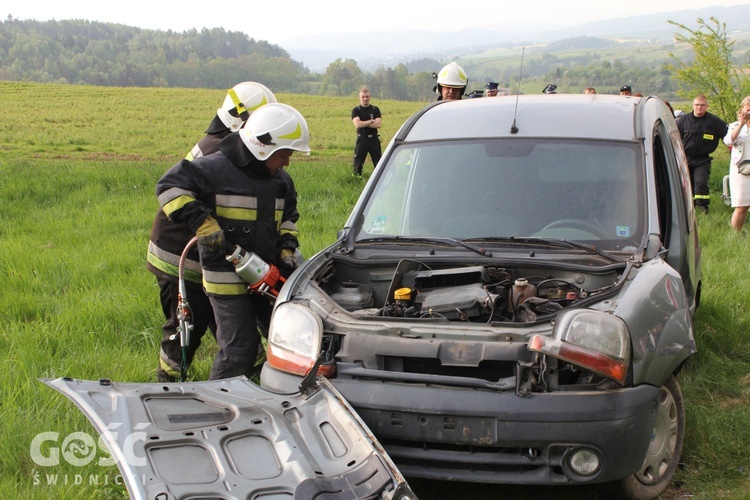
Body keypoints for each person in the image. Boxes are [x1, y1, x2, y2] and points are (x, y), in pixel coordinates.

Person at [156, 102, 307, 381]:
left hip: (262, 274)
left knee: (291, 339)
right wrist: (202, 221)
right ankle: (218, 409)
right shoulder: (214, 169)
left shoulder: (282, 182)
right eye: (285, 154)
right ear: (264, 147)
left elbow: (288, 218)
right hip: (225, 278)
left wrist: (286, 245)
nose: (287, 162)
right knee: (239, 350)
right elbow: (168, 187)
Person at [676, 94, 728, 213]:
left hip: (702, 160)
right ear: (693, 105)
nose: (699, 107)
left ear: (707, 106)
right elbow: (674, 138)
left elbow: (728, 137)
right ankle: (687, 209)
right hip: (685, 158)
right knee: (686, 185)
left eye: (702, 105)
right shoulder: (683, 121)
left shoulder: (714, 121)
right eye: (697, 105)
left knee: (700, 183)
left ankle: (703, 209)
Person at [723, 96, 750, 231]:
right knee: (741, 205)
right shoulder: (734, 125)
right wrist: (742, 123)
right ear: (743, 110)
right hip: (741, 170)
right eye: (748, 109)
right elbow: (729, 141)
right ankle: (735, 236)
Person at [351, 87, 382, 176]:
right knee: (358, 162)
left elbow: (378, 124)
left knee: (378, 161)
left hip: (374, 139)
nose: (365, 99)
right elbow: (358, 124)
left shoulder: (375, 109)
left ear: (370, 97)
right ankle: (357, 179)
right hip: (362, 139)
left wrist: (363, 123)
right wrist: (371, 121)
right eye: (363, 97)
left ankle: (379, 179)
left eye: (367, 97)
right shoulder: (356, 110)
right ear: (359, 98)